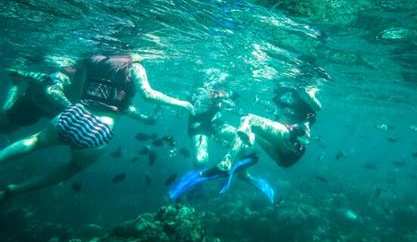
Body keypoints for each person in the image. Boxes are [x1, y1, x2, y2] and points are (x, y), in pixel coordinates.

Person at [0, 54, 194, 201]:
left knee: (34, 141)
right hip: (98, 130)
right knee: (73, 167)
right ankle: (16, 189)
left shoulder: (93, 59)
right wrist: (182, 104)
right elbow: (147, 94)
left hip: (72, 114)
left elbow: (70, 78)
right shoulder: (134, 65)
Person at [0, 67, 157, 134]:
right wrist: (18, 79)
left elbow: (120, 106)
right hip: (30, 106)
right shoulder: (59, 78)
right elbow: (49, 87)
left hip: (40, 111)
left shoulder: (92, 88)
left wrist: (144, 119)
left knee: (11, 121)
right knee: (9, 119)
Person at [216, 84, 322, 171]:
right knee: (249, 131)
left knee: (249, 120)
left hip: (292, 142)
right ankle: (240, 161)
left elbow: (317, 108)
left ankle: (229, 161)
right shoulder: (284, 102)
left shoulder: (305, 102)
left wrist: (310, 94)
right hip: (283, 157)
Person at [187, 87, 240, 168]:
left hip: (213, 126)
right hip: (198, 128)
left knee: (242, 136)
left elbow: (216, 116)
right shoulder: (202, 95)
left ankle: (241, 170)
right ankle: (198, 170)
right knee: (200, 160)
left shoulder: (223, 99)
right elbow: (196, 114)